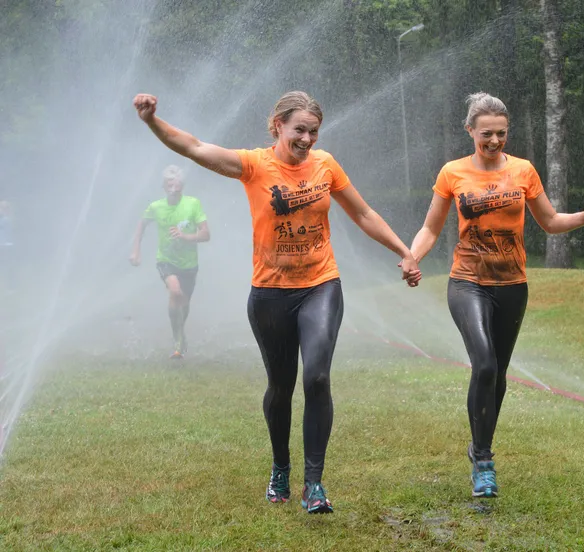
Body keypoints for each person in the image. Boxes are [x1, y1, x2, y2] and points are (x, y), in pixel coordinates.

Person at [132, 90, 420, 514]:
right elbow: (193, 147)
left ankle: (315, 484)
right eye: (299, 129)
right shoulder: (253, 165)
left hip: (320, 284)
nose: (307, 139)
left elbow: (362, 213)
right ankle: (281, 467)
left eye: (314, 132)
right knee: (281, 387)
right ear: (278, 126)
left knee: (317, 377)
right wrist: (153, 121)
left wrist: (404, 250)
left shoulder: (326, 165)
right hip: (269, 293)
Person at [409, 92, 584, 499]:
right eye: (486, 133)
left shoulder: (523, 171)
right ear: (470, 131)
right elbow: (431, 228)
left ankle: (479, 444)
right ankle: (483, 460)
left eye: (501, 133)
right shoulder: (453, 172)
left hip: (512, 285)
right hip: (467, 281)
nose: (494, 141)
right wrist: (412, 257)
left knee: (497, 374)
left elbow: (551, 221)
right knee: (483, 364)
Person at [130, 165, 211, 359]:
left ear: (182, 186)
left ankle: (180, 334)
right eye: (169, 183)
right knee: (175, 291)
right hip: (165, 260)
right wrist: (135, 250)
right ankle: (177, 340)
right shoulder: (156, 207)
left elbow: (206, 234)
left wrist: (184, 236)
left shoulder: (193, 204)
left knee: (184, 302)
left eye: (176, 183)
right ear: (163, 186)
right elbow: (141, 225)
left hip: (189, 263)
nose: (173, 187)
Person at [0, 200, 15, 293]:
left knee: (6, 267)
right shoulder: (4, 219)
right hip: (4, 245)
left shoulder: (5, 220)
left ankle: (8, 287)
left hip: (5, 246)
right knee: (5, 267)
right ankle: (7, 286)